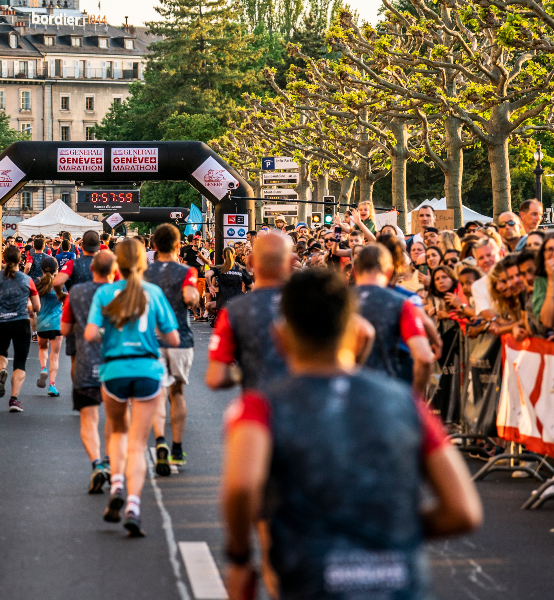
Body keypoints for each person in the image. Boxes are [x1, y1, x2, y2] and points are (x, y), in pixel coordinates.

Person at [220, 269, 482, 600]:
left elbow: (242, 486)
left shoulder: (259, 407)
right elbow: (464, 511)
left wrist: (240, 556)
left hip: (312, 579)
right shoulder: (406, 403)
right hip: (398, 581)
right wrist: (389, 529)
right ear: (357, 336)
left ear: (279, 338)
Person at [84, 239, 180, 536]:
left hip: (114, 369)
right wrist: (151, 338)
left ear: (117, 264)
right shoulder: (153, 293)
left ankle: (116, 486)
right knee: (139, 443)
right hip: (148, 369)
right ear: (143, 262)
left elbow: (89, 334)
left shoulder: (105, 292)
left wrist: (110, 337)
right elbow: (174, 339)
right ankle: (134, 507)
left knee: (117, 431)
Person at [144, 224, 200, 472]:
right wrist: (194, 298)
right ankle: (177, 448)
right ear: (178, 246)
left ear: (154, 246)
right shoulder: (187, 271)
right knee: (177, 393)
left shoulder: (144, 273)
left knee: (156, 393)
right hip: (180, 338)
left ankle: (160, 443)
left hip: (151, 340)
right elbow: (189, 298)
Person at [207, 232, 293, 393]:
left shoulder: (235, 312)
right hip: (301, 402)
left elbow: (216, 377)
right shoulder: (305, 304)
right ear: (291, 262)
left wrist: (245, 371)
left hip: (257, 405)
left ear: (252, 261)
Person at [61, 251, 116, 493]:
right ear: (113, 271)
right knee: (115, 418)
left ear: (92, 268)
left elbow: (64, 329)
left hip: (85, 361)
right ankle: (109, 461)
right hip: (116, 363)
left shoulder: (76, 293)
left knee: (89, 419)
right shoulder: (122, 293)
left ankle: (96, 463)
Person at [353, 244, 436, 392]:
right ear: (389, 272)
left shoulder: (334, 301)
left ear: (354, 271)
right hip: (387, 390)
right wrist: (412, 399)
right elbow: (424, 357)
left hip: (344, 392)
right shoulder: (401, 303)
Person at [0, 244, 40, 412]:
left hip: (1, 321)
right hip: (21, 322)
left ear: (3, 260)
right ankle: (14, 400)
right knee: (20, 363)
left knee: (0, 354)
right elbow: (37, 307)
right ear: (20, 260)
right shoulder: (27, 280)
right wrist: (28, 307)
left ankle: (2, 370)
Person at [33, 256, 65, 396]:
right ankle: (52, 385)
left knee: (43, 348)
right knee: (55, 355)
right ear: (56, 269)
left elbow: (33, 302)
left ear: (41, 268)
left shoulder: (37, 283)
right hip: (57, 323)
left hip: (41, 322)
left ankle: (43, 368)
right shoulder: (60, 284)